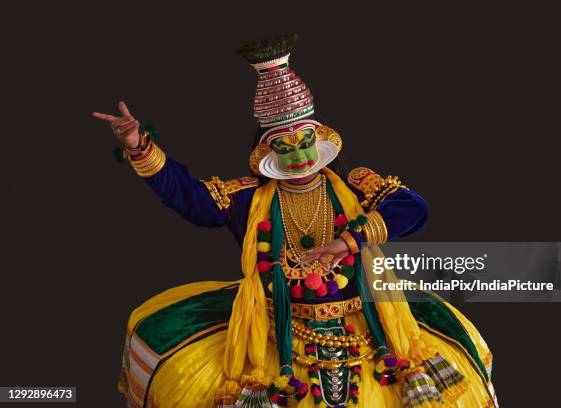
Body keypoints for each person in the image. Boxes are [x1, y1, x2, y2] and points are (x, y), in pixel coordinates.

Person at [93, 34, 497, 408]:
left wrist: (348, 242)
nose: (299, 157)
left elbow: (414, 209)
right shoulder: (248, 196)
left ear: (319, 138)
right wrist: (140, 146)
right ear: (266, 150)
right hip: (270, 329)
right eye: (284, 147)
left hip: (370, 325)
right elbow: (192, 200)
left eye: (305, 142)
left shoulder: (356, 186)